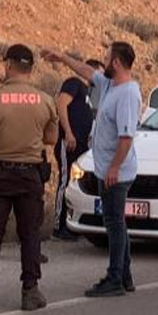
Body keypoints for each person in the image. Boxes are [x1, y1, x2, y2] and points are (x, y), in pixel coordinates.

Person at [43, 43, 141, 298]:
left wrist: (114, 168)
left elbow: (126, 136)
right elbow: (87, 71)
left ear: (116, 63)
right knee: (116, 221)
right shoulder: (110, 86)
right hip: (106, 168)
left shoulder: (128, 93)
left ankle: (115, 278)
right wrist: (63, 57)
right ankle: (124, 275)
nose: (103, 62)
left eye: (107, 58)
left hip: (115, 171)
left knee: (114, 224)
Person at [0, 44, 59, 312]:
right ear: (30, 69)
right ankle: (30, 290)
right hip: (30, 174)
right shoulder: (45, 100)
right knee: (30, 234)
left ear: (8, 65)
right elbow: (51, 138)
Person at [51, 58, 105, 242]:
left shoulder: (88, 94)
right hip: (70, 143)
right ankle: (58, 226)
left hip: (82, 145)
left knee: (76, 184)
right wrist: (68, 133)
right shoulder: (74, 84)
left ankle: (74, 222)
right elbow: (61, 104)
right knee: (65, 181)